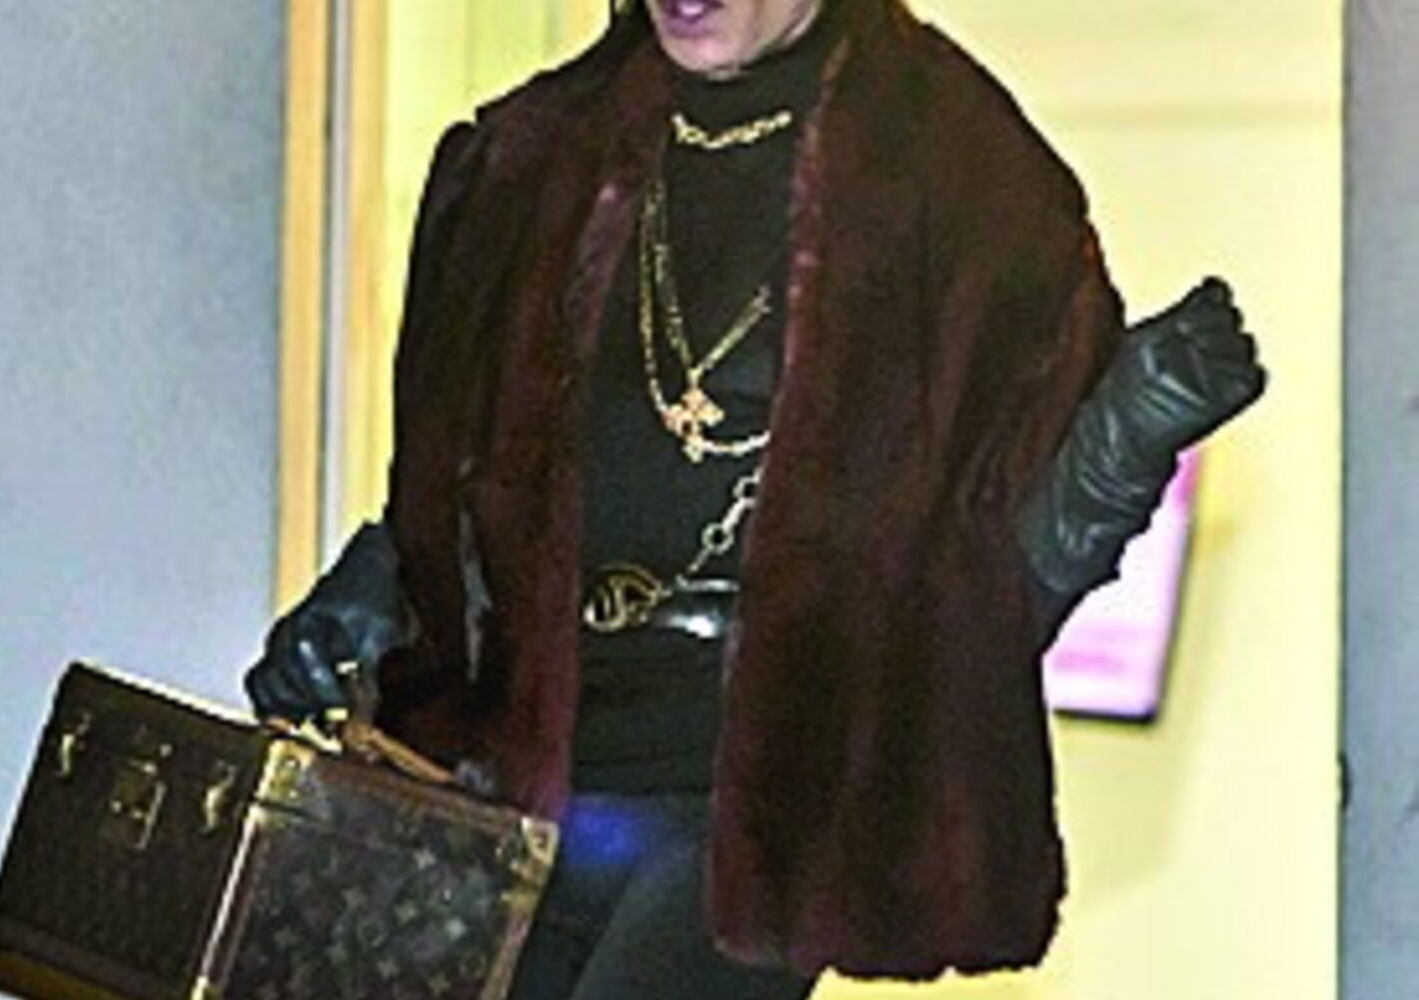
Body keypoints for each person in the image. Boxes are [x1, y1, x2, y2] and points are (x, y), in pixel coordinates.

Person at [245, 0, 1265, 996]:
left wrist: (1118, 450)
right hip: (502, 793)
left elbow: (984, 608)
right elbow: (453, 477)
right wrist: (384, 581)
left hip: (765, 811)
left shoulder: (967, 182)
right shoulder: (526, 160)